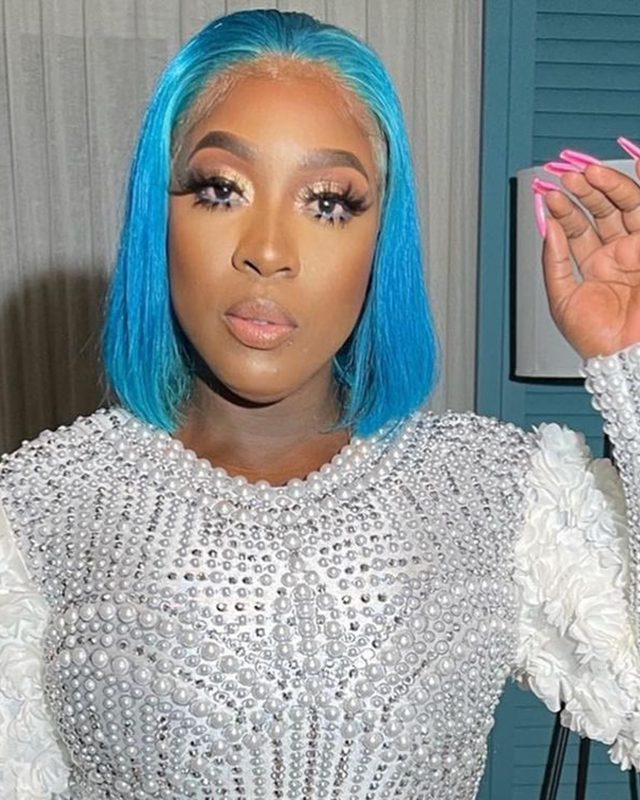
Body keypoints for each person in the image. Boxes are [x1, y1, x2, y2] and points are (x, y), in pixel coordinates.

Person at [1, 8, 640, 799]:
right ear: (157, 215)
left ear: (382, 240)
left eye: (329, 203)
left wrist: (630, 357)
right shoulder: (39, 510)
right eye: (220, 189)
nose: (268, 251)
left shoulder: (494, 489)